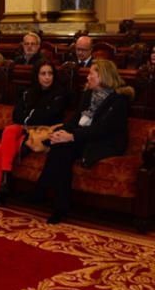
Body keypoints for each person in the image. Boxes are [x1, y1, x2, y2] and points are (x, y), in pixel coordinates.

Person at [34, 59, 135, 224]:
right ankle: (60, 206)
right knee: (60, 149)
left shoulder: (119, 100)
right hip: (83, 137)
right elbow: (75, 120)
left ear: (103, 75)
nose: (87, 77)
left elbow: (103, 129)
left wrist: (71, 136)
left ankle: (41, 191)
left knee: (62, 148)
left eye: (91, 73)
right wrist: (60, 132)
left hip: (105, 143)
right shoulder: (88, 94)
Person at [0, 60, 69, 207]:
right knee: (10, 129)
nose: (47, 77)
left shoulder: (59, 94)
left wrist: (29, 116)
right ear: (37, 76)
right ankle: (5, 180)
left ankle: (0, 191)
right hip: (23, 128)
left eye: (50, 74)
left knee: (1, 149)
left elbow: (49, 116)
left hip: (41, 132)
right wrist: (30, 117)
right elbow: (16, 115)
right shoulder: (28, 92)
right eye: (43, 74)